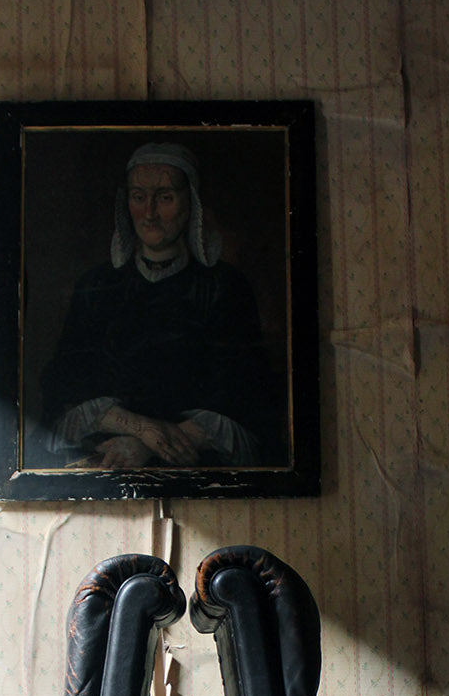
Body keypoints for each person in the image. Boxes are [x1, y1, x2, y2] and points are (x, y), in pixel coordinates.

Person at [39, 142, 284, 469]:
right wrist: (141, 429)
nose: (150, 213)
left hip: (199, 463)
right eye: (138, 197)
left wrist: (148, 446)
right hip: (106, 458)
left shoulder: (225, 287)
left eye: (165, 197)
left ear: (191, 203)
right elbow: (64, 391)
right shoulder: (95, 286)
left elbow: (246, 397)